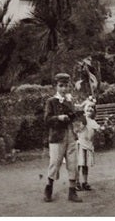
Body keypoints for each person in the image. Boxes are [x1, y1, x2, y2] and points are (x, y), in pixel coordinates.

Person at [43, 73, 84, 203]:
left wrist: (76, 113)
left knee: (73, 162)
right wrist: (58, 118)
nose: (64, 89)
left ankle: (72, 191)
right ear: (56, 86)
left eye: (66, 86)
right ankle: (48, 189)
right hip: (57, 136)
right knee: (55, 163)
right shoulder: (51, 101)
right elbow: (47, 119)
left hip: (70, 134)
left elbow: (72, 117)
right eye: (61, 86)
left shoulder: (69, 100)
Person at [74, 99, 106, 191]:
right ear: (84, 108)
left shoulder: (92, 121)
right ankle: (76, 182)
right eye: (88, 106)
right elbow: (76, 130)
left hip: (87, 146)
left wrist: (105, 126)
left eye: (92, 107)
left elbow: (99, 129)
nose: (90, 109)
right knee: (79, 164)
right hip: (80, 144)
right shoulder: (81, 119)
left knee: (85, 164)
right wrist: (82, 125)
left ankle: (85, 182)